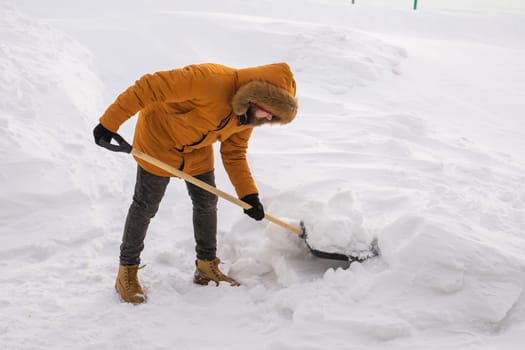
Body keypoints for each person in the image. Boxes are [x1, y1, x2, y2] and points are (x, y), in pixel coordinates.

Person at [93, 62, 298, 304]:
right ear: (255, 96)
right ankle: (126, 271)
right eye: (269, 111)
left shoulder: (248, 116)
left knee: (206, 202)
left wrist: (248, 195)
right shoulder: (209, 80)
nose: (268, 119)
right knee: (146, 205)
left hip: (196, 150)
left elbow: (234, 153)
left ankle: (206, 266)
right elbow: (149, 86)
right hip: (157, 141)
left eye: (274, 117)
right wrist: (109, 123)